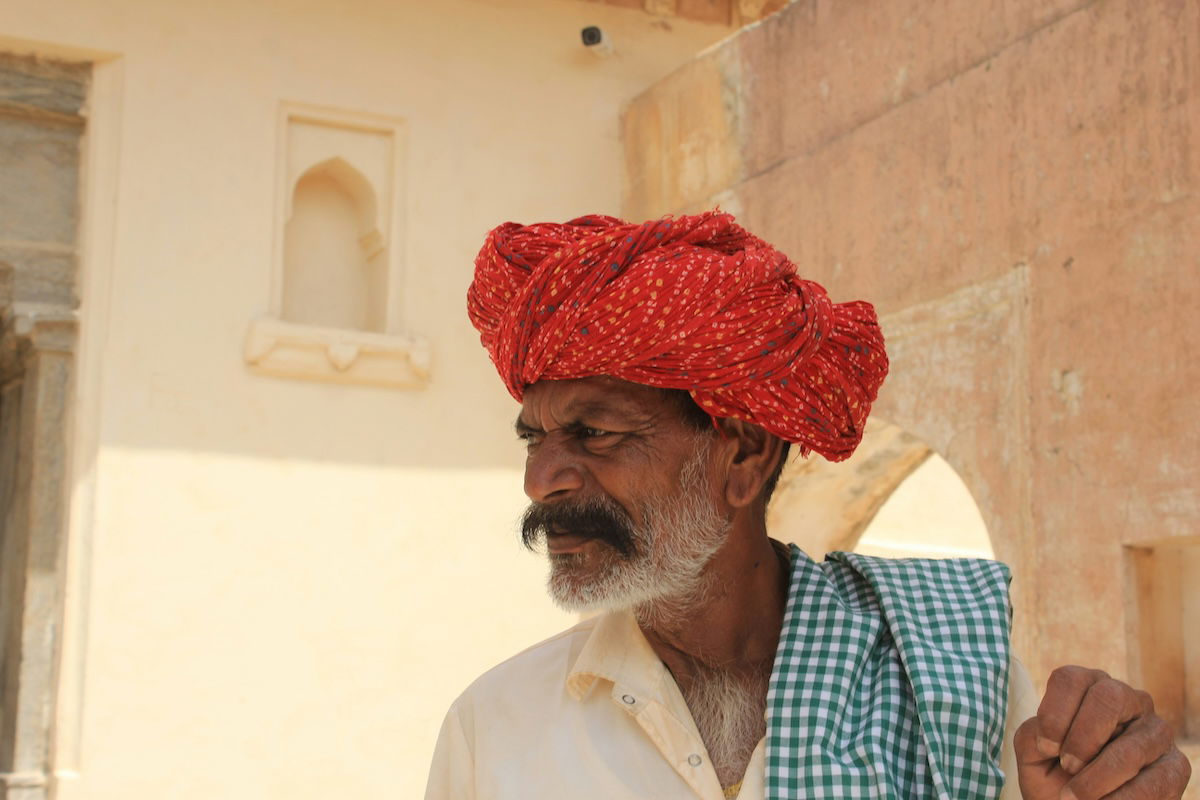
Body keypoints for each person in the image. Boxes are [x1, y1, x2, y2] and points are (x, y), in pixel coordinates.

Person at [425, 211, 1191, 799]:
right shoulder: (496, 730)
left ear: (744, 455)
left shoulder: (950, 680)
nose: (541, 481)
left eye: (593, 433)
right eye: (536, 441)